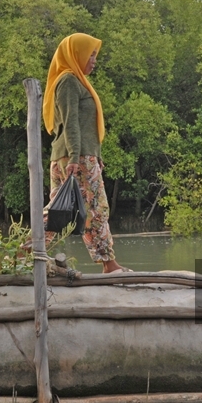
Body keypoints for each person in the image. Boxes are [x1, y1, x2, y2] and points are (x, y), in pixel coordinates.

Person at [42, 33, 129, 273]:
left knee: (59, 211)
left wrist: (96, 156)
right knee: (96, 209)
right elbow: (71, 123)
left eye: (95, 55)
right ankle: (109, 264)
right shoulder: (69, 81)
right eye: (90, 54)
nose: (94, 60)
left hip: (75, 156)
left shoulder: (77, 81)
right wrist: (75, 158)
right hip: (75, 157)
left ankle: (24, 253)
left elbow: (85, 125)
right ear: (76, 54)